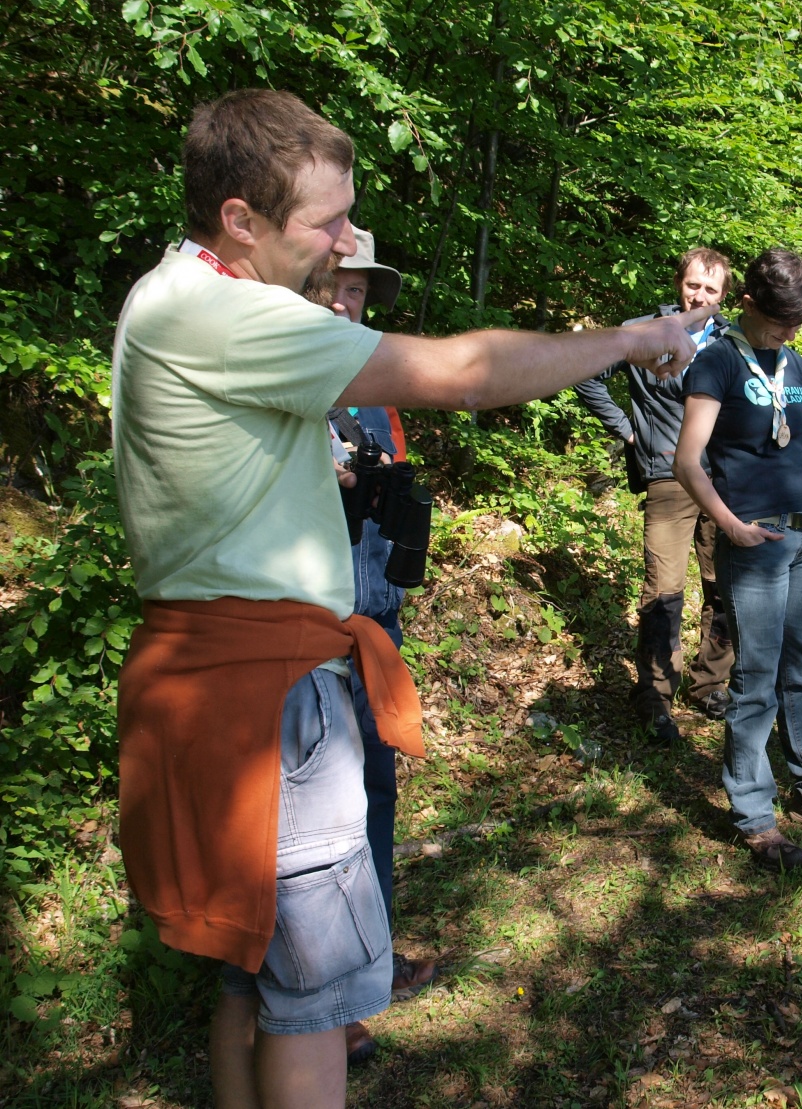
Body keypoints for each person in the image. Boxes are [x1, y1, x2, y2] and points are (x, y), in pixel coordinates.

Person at [112, 89, 709, 1109]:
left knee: (251, 976)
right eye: (328, 222)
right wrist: (626, 337)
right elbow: (464, 374)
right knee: (314, 1002)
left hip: (212, 686)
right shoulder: (230, 313)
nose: (346, 243)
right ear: (240, 219)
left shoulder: (169, 294)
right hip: (267, 698)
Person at [672, 249, 802, 870]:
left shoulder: (794, 362)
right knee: (755, 679)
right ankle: (755, 816)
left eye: (800, 322)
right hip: (756, 541)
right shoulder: (717, 361)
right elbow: (688, 460)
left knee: (801, 669)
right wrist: (730, 525)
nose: (792, 333)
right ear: (749, 303)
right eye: (783, 321)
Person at [307, 227, 440, 1065]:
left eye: (358, 291)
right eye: (334, 285)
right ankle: (323, 994)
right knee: (316, 812)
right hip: (305, 633)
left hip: (375, 622)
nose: (344, 303)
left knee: (375, 787)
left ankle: (372, 958)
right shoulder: (282, 380)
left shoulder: (373, 390)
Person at [574, 249, 737, 743]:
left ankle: (711, 683)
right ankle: (655, 695)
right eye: (693, 285)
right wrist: (628, 431)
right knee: (664, 589)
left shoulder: (736, 341)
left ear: (724, 295)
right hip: (668, 475)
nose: (700, 296)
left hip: (726, 479)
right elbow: (586, 373)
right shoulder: (643, 332)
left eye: (711, 289)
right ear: (678, 284)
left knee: (725, 585)